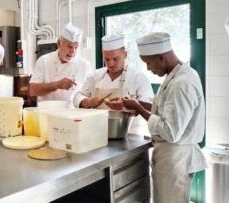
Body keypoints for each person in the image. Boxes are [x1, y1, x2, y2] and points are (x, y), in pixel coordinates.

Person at [121, 32, 208, 203]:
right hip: (171, 156)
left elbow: (170, 130)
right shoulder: (178, 74)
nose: (148, 68)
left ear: (161, 57)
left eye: (148, 63)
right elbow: (164, 110)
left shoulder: (181, 83)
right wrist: (136, 104)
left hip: (176, 158)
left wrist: (139, 108)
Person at [73, 34, 153, 111]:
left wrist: (125, 106)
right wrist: (88, 102)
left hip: (129, 124)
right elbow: (77, 96)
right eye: (107, 59)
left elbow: (148, 108)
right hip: (98, 123)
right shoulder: (95, 76)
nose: (110, 64)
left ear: (125, 54)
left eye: (115, 59)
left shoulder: (138, 78)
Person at [29, 23, 92, 104]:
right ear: (59, 43)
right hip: (47, 112)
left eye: (76, 47)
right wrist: (57, 85)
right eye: (69, 46)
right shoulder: (44, 61)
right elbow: (33, 90)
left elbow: (90, 93)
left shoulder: (84, 65)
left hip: (72, 113)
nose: (73, 51)